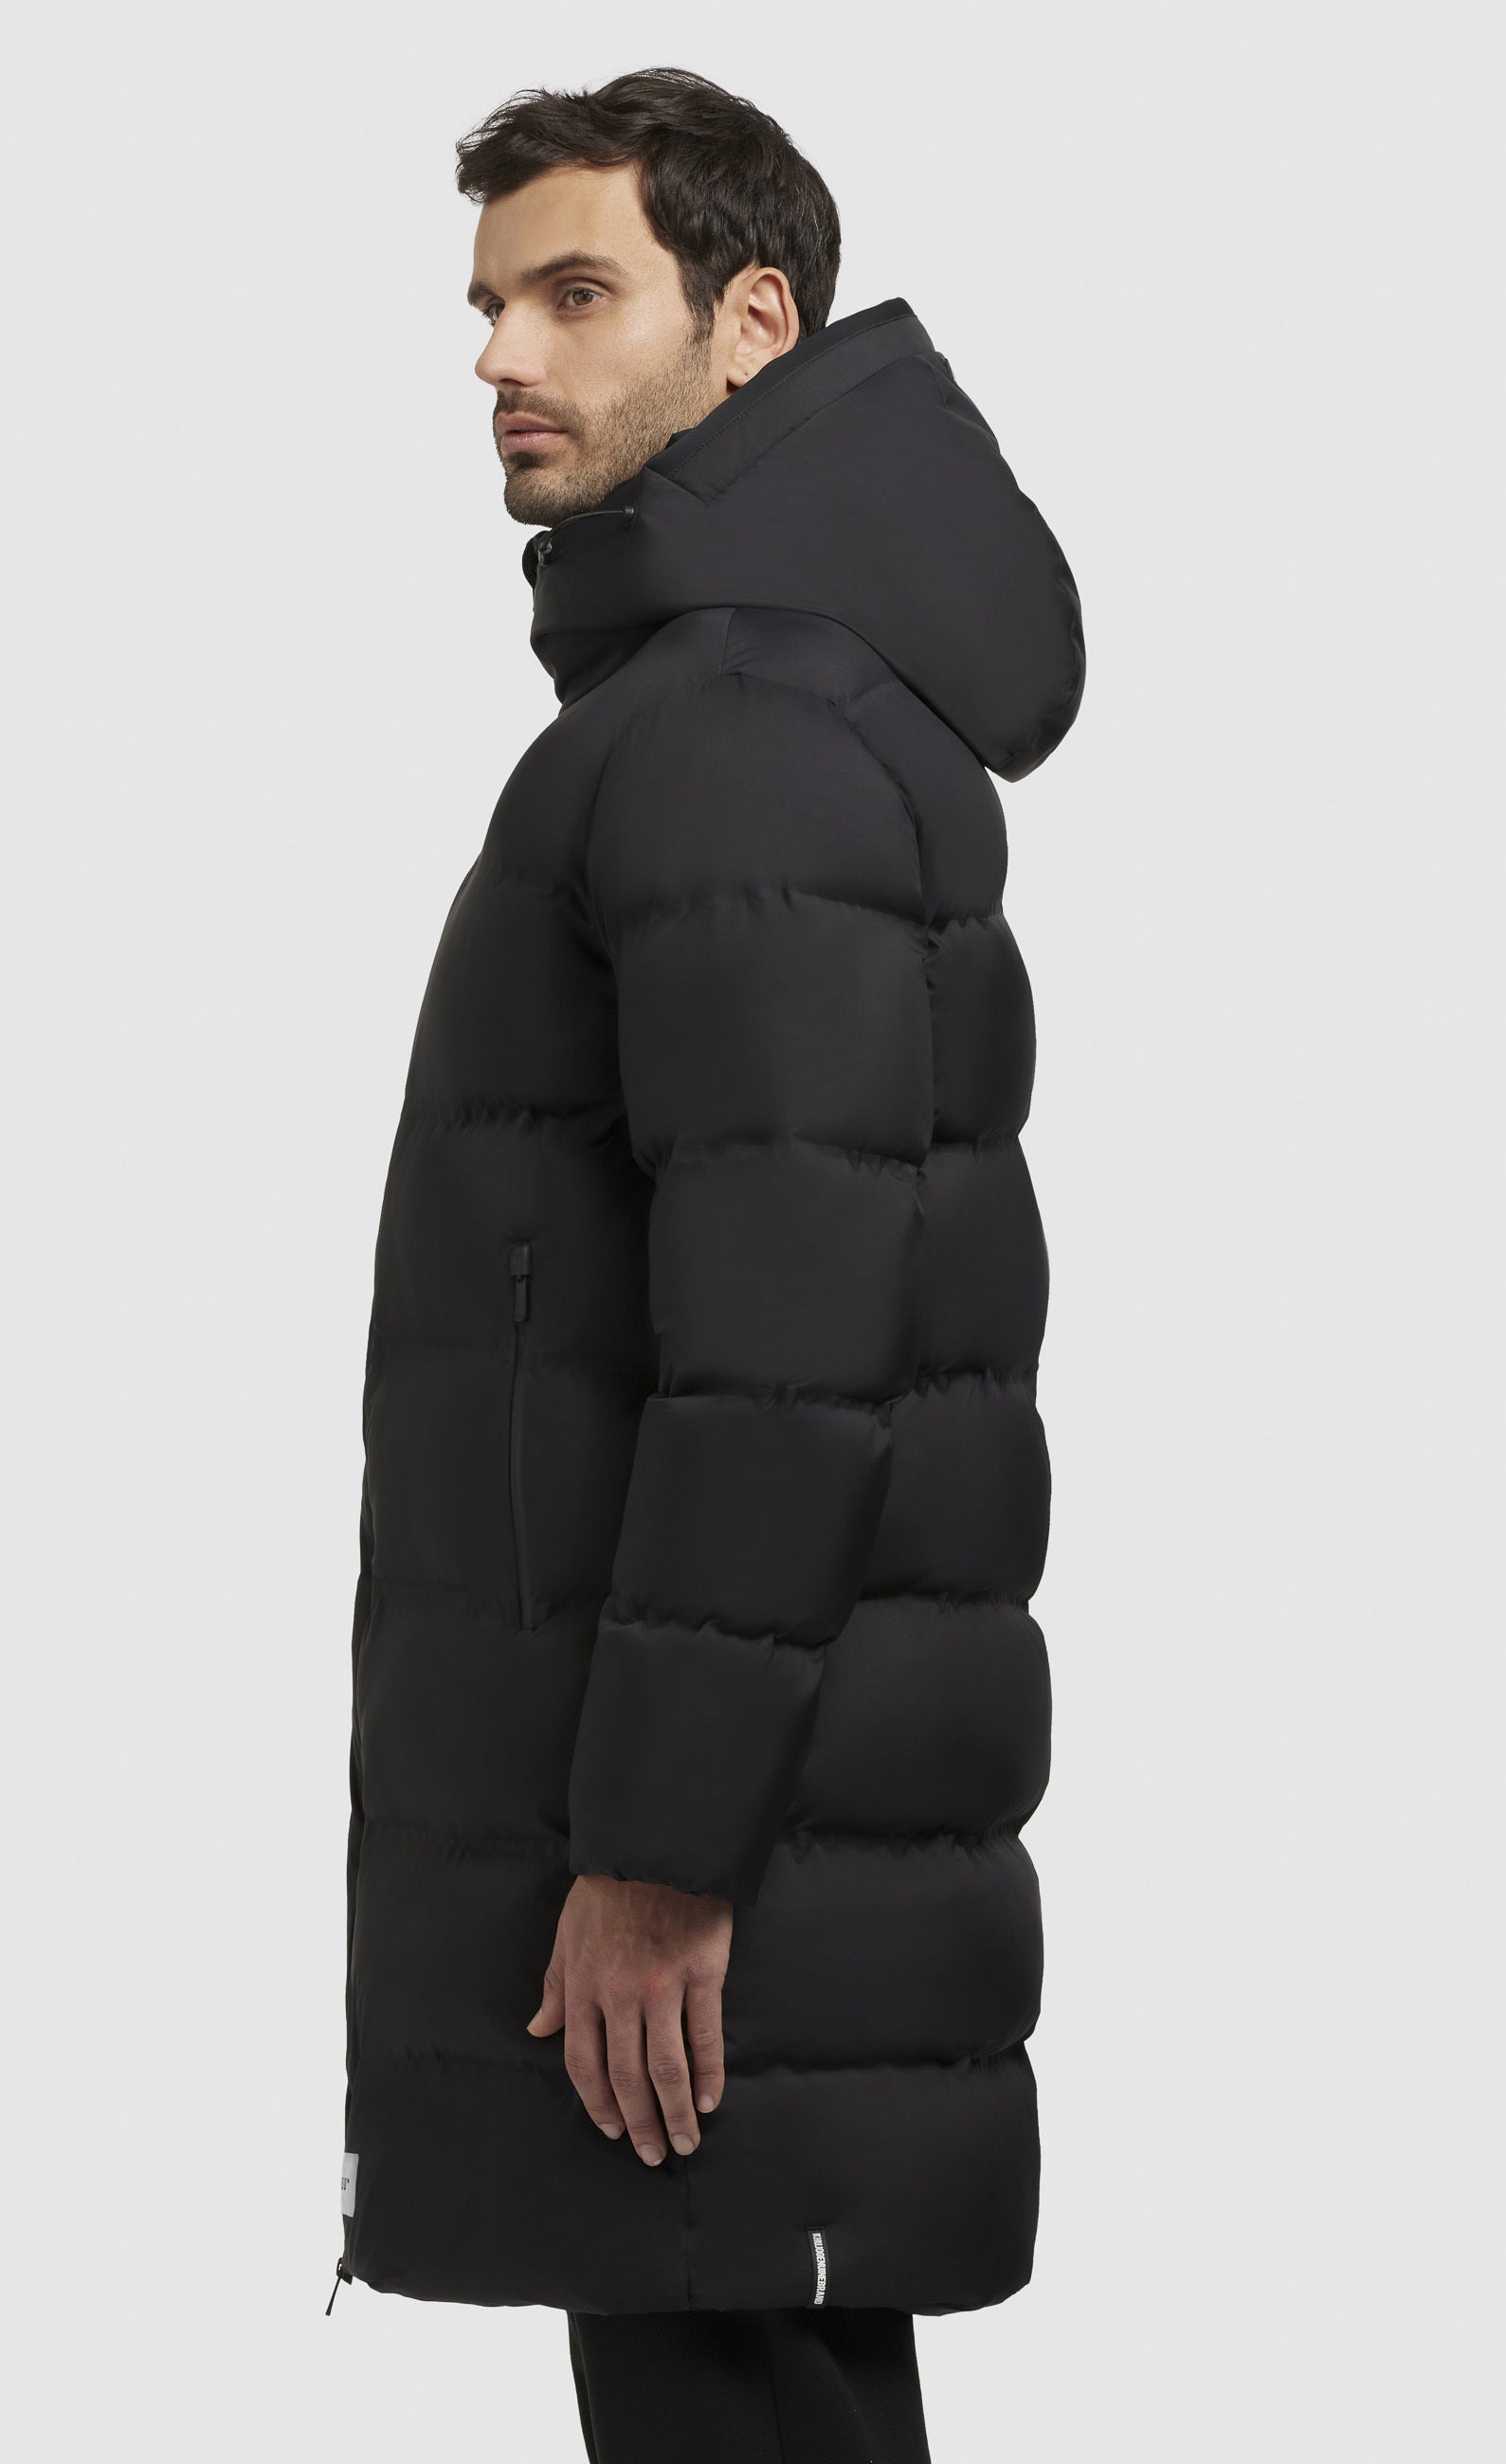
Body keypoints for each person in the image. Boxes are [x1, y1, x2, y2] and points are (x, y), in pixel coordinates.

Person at [331, 65, 1084, 2464]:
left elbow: (787, 1352)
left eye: (576, 294)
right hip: (781, 1828)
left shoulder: (739, 731)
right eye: (488, 305)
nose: (502, 357)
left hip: (727, 1869)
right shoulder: (738, 703)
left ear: (754, 325)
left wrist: (658, 1858)